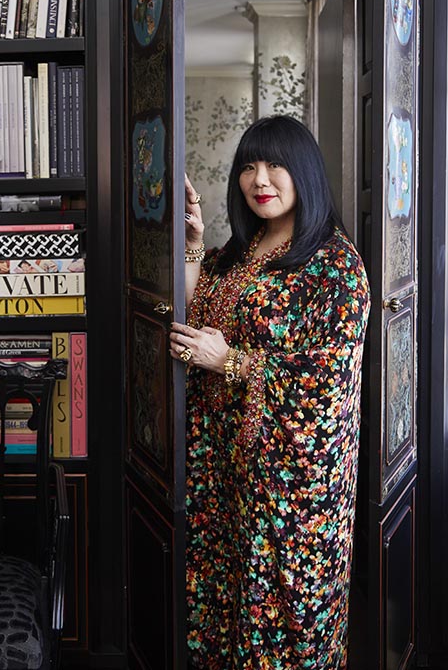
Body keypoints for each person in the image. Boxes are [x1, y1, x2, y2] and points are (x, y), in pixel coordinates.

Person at [169, 115, 371, 670]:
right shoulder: (240, 251)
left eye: (276, 164)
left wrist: (229, 361)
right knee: (227, 603)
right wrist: (193, 244)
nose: (261, 178)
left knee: (286, 617)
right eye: (249, 166)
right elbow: (192, 320)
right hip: (226, 469)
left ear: (303, 170)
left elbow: (324, 380)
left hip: (291, 493)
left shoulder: (335, 269)